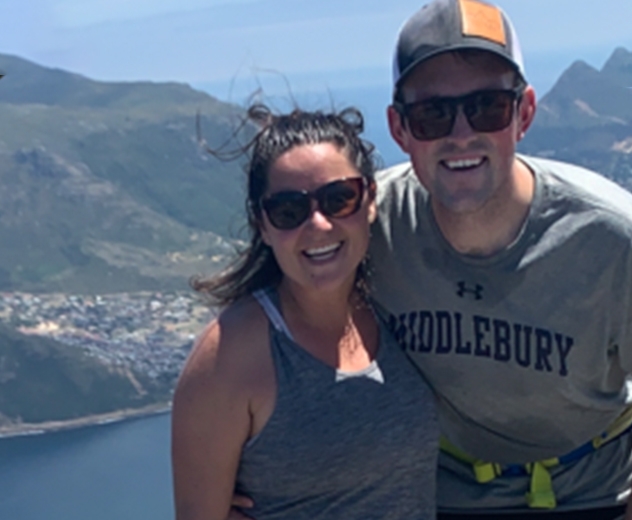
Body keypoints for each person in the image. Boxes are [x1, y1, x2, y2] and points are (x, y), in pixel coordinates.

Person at [226, 1, 632, 519]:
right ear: (400, 129)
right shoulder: (366, 222)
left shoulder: (615, 237)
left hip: (591, 493)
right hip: (443, 496)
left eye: (487, 107)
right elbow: (281, 311)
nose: (461, 134)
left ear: (523, 113)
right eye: (433, 114)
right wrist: (237, 476)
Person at [171, 104, 439, 520]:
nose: (318, 225)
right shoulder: (231, 356)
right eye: (289, 210)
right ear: (262, 224)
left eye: (339, 199)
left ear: (369, 199)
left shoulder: (394, 305)